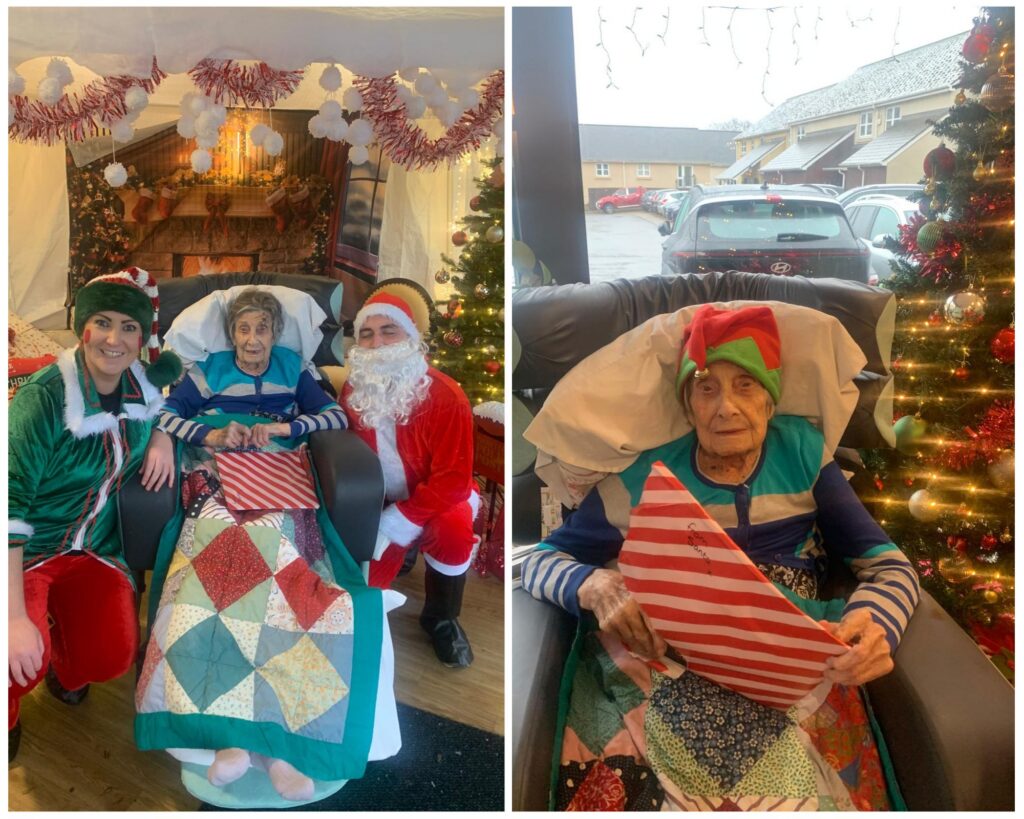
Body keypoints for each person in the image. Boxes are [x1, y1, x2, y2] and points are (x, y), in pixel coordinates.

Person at [521, 304, 921, 811]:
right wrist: (596, 585)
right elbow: (539, 560)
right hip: (660, 652)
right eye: (706, 388)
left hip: (787, 658)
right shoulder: (645, 476)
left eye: (746, 386)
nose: (725, 407)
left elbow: (888, 566)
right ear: (688, 407)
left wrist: (877, 622)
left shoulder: (802, 452)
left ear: (771, 400)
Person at [136, 287, 397, 806]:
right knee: (220, 554)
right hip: (215, 482)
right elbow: (166, 416)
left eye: (262, 329)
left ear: (276, 333)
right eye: (243, 329)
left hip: (280, 481)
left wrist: (283, 426)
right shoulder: (206, 371)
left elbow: (332, 418)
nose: (253, 340)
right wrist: (211, 437)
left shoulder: (295, 369)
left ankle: (277, 750)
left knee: (287, 574)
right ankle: (232, 739)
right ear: (231, 333)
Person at [8, 267, 181, 762]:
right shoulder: (44, 398)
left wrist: (164, 434)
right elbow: (9, 509)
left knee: (112, 656)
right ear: (82, 327)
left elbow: (161, 408)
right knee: (14, 659)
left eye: (128, 327)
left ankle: (67, 661)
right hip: (27, 553)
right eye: (102, 322)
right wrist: (14, 617)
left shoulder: (142, 387)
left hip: (93, 551)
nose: (114, 339)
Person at [340, 280, 478, 668]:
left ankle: (442, 618)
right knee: (366, 595)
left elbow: (453, 480)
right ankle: (399, 558)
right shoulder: (354, 389)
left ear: (410, 337)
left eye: (389, 331)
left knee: (453, 534)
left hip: (437, 499)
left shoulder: (446, 397)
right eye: (366, 334)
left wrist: (400, 521)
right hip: (378, 498)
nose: (377, 343)